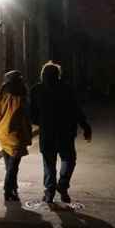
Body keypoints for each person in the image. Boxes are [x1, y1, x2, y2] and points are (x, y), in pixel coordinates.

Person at [30, 61, 91, 204]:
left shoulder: (36, 90)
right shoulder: (67, 89)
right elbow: (76, 110)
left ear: (42, 75)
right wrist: (85, 126)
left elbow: (32, 114)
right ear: (58, 75)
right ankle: (62, 185)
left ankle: (49, 191)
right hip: (66, 132)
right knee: (69, 160)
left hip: (47, 134)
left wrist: (43, 122)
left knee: (49, 163)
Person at [0, 70, 32, 202]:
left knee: (9, 165)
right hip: (15, 136)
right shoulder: (21, 98)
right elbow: (26, 117)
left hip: (2, 133)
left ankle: (13, 187)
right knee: (13, 166)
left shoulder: (0, 94)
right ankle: (8, 190)